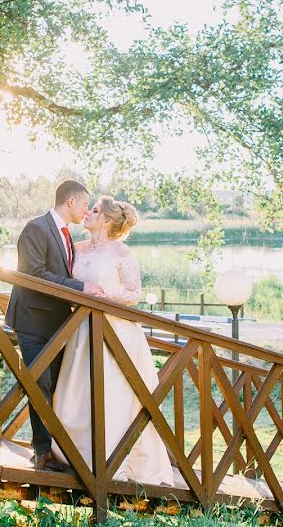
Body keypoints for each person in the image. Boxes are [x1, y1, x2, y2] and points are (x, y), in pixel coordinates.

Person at [51, 196, 173, 485]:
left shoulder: (121, 251)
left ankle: (113, 461)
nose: (88, 213)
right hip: (81, 329)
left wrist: (104, 296)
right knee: (78, 391)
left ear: (105, 219)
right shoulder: (75, 248)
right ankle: (77, 454)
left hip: (115, 331)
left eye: (93, 211)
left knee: (113, 393)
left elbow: (133, 293)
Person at [4, 180, 105, 472]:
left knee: (59, 385)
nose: (87, 210)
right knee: (40, 384)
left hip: (58, 323)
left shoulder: (67, 236)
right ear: (71, 202)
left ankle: (57, 450)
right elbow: (34, 274)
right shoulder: (36, 228)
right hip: (33, 319)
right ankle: (42, 453)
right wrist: (80, 287)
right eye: (86, 204)